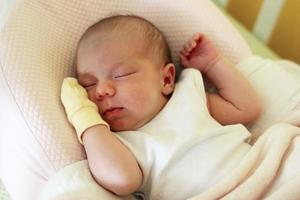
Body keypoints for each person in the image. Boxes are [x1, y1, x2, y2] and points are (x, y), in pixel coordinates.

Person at [61, 15, 261, 199]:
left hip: (259, 172)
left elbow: (246, 108)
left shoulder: (188, 96)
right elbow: (122, 180)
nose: (101, 90)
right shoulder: (116, 145)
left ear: (166, 79)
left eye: (120, 75)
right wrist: (84, 117)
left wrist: (213, 64)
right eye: (88, 85)